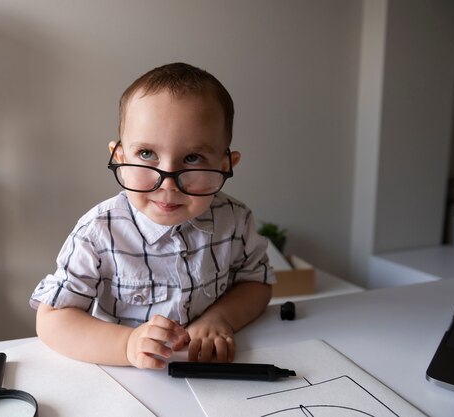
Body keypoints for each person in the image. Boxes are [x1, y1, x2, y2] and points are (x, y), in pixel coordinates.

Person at [30, 62, 275, 370]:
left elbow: (257, 283)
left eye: (193, 158)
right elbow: (52, 320)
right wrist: (127, 344)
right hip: (127, 383)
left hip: (208, 373)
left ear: (226, 165)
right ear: (120, 157)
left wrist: (219, 318)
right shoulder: (98, 232)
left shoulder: (235, 220)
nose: (168, 182)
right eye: (146, 154)